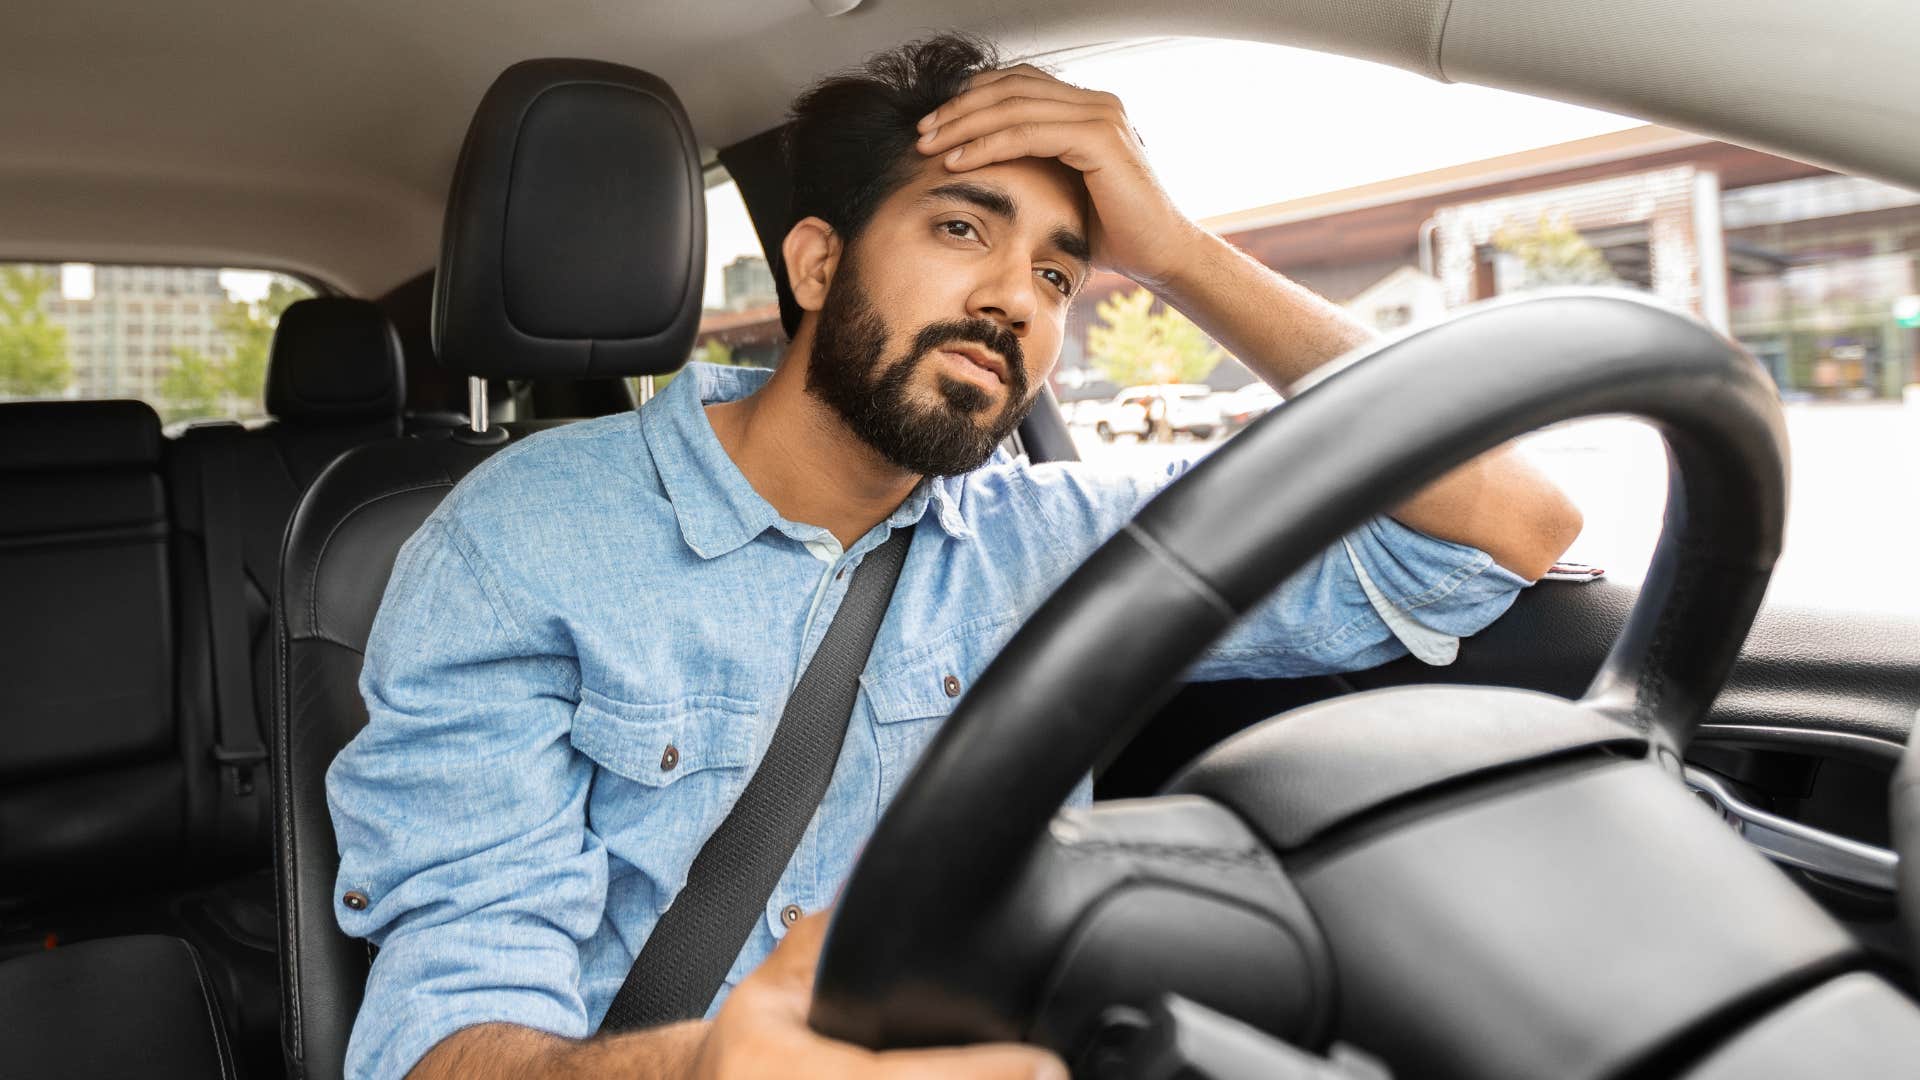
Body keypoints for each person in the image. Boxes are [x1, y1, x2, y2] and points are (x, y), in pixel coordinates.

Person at [328, 33, 1583, 1080]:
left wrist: (1183, 254)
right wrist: (703, 1069)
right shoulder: (521, 537)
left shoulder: (1060, 542)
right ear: (816, 263)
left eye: (1057, 270)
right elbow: (442, 1046)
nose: (1016, 299)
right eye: (962, 229)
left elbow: (1509, 526)